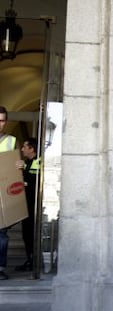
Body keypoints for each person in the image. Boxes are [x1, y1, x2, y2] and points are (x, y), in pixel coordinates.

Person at [15, 137, 40, 272]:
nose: (22, 149)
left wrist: (24, 169)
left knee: (31, 233)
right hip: (26, 204)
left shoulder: (38, 162)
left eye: (25, 147)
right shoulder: (28, 162)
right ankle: (30, 259)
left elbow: (35, 180)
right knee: (26, 234)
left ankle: (33, 261)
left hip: (33, 205)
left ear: (32, 149)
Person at [0, 105, 19, 280]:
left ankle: (0, 267)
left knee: (2, 235)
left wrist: (19, 165)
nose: (0, 124)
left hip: (3, 195)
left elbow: (15, 164)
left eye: (3, 120)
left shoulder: (11, 140)